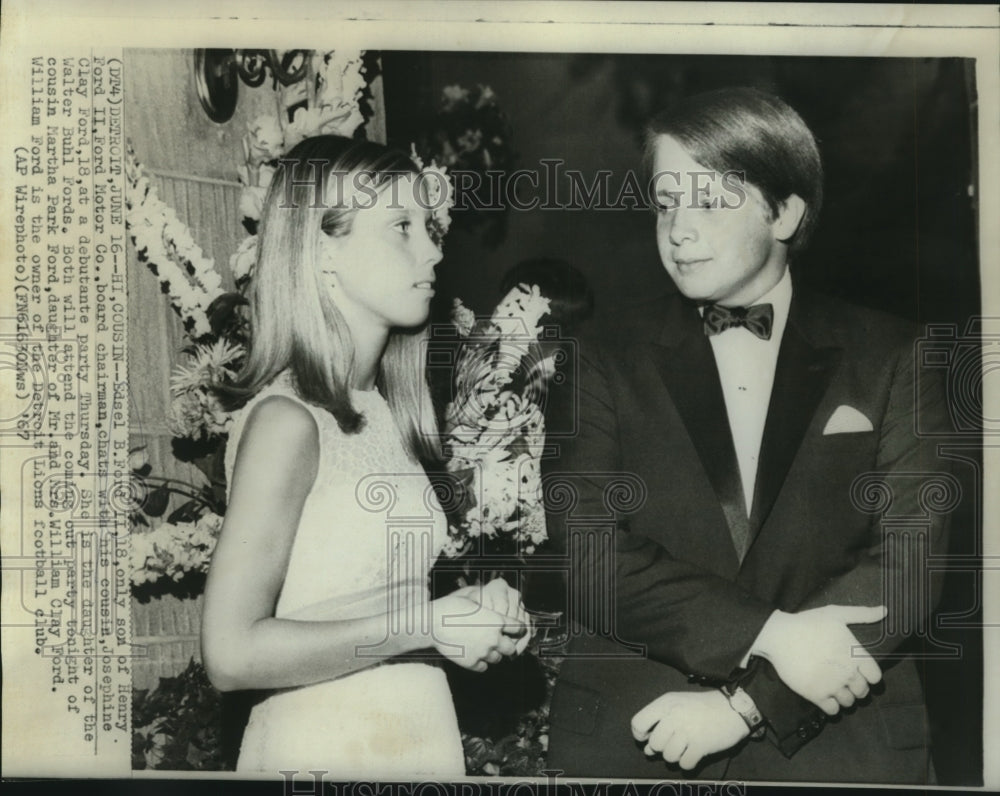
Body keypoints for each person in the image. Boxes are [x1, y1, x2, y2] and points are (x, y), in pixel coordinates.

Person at [544, 87, 951, 783]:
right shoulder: (600, 356)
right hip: (634, 744)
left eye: (710, 201)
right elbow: (588, 555)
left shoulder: (895, 355)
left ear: (786, 211)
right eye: (666, 203)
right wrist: (771, 636)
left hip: (838, 751)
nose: (678, 230)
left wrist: (745, 705)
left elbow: (907, 569)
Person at [201, 135, 530, 777]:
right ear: (324, 249)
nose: (434, 249)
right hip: (324, 750)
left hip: (413, 738)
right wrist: (429, 624)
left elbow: (372, 605)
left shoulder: (384, 410)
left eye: (429, 226)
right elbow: (230, 653)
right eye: (402, 227)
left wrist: (476, 617)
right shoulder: (287, 421)